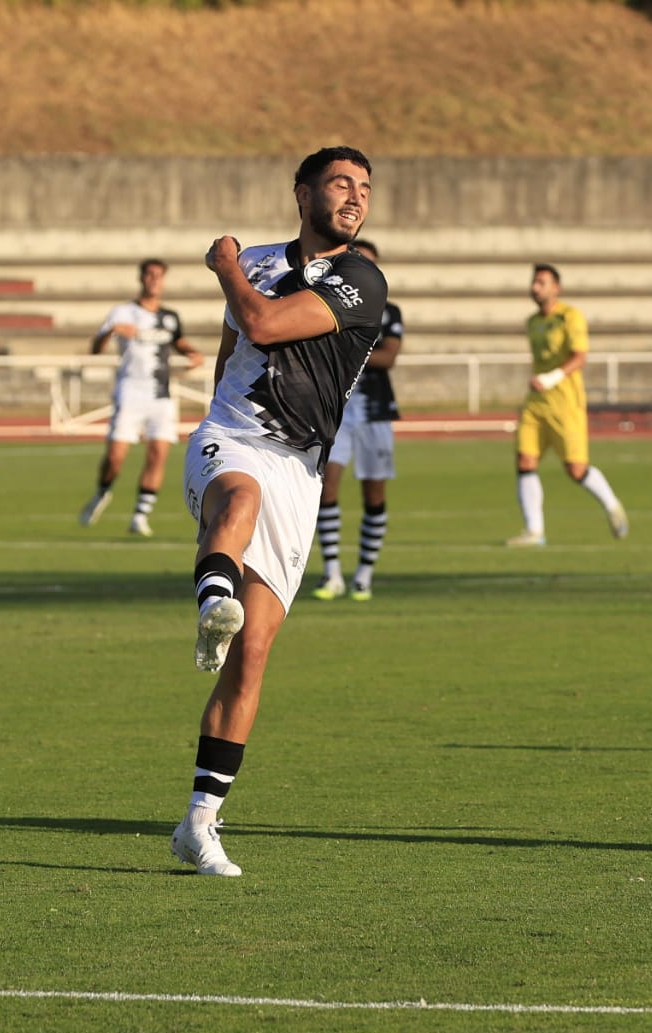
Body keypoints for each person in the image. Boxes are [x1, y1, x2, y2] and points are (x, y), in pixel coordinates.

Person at [171, 146, 387, 877]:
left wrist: (224, 266)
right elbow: (231, 351)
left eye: (364, 188)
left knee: (254, 653)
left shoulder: (362, 279)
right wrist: (213, 432)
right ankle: (214, 599)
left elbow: (259, 324)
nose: (355, 197)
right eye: (341, 183)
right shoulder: (259, 260)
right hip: (232, 439)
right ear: (302, 192)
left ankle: (199, 822)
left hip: (299, 468)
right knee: (239, 498)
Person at [77, 259, 204, 537]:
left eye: (159, 276)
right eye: (150, 275)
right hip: (130, 391)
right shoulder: (123, 312)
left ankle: (140, 516)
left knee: (158, 454)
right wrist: (111, 331)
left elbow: (178, 341)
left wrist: (193, 354)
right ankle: (103, 491)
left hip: (161, 394)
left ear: (164, 280)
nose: (154, 280)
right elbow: (95, 348)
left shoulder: (170, 316)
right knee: (115, 457)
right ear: (142, 278)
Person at [507, 263, 628, 547]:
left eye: (542, 282)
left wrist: (551, 378)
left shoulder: (570, 317)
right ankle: (534, 531)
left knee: (576, 469)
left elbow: (580, 356)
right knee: (525, 461)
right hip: (536, 404)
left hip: (565, 404)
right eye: (534, 282)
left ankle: (612, 505)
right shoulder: (532, 322)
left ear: (556, 288)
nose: (535, 287)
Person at [310, 238, 402, 602]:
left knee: (374, 494)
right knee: (327, 488)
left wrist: (346, 351)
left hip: (375, 410)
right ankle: (332, 572)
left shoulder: (389, 311)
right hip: (336, 409)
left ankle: (364, 574)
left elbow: (388, 357)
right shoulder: (327, 305)